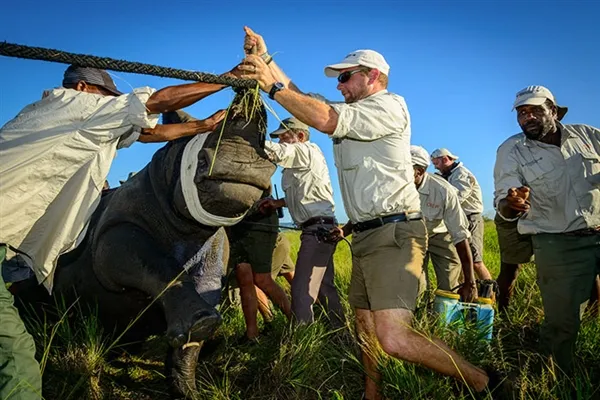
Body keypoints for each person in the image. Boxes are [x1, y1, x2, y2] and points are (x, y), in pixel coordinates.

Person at [238, 26, 492, 398]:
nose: (339, 86)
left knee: (394, 338)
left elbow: (323, 117)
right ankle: (372, 394)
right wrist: (266, 59)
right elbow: (308, 100)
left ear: (373, 76)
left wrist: (271, 87)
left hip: (394, 234)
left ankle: (484, 382)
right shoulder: (356, 110)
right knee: (364, 324)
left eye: (344, 77)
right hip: (367, 234)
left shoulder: (388, 106)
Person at [0, 64, 235, 399]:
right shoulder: (74, 106)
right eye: (107, 97)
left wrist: (202, 126)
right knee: (14, 352)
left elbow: (144, 132)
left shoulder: (57, 117)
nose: (112, 103)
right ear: (83, 87)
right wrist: (231, 77)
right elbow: (154, 103)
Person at [494, 85, 600, 374]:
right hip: (559, 244)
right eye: (521, 113)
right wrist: (511, 203)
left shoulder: (588, 136)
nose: (527, 118)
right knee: (561, 324)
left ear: (553, 111)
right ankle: (555, 379)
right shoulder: (511, 151)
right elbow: (503, 201)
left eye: (535, 110)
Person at [259, 117, 344, 327]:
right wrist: (276, 203)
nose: (280, 142)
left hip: (316, 230)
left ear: (300, 136)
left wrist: (250, 139)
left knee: (300, 290)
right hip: (322, 227)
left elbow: (278, 153)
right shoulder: (301, 161)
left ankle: (301, 340)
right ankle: (340, 334)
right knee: (324, 287)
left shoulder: (305, 150)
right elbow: (302, 196)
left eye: (283, 137)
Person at [410, 146, 477, 301]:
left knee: (449, 285)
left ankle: (446, 320)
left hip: (441, 234)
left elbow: (460, 235)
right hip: (412, 238)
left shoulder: (443, 190)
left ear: (419, 171)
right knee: (414, 284)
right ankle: (419, 318)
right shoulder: (396, 188)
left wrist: (470, 281)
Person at [226, 197, 292, 341]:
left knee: (262, 279)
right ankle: (252, 335)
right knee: (244, 277)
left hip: (259, 216)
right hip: (235, 221)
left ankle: (297, 324)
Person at [431, 148, 493, 281]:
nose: (435, 167)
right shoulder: (446, 176)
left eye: (436, 163)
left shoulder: (461, 174)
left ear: (445, 159)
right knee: (459, 261)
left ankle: (490, 295)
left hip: (470, 218)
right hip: (455, 220)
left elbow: (456, 199)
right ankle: (465, 297)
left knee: (475, 262)